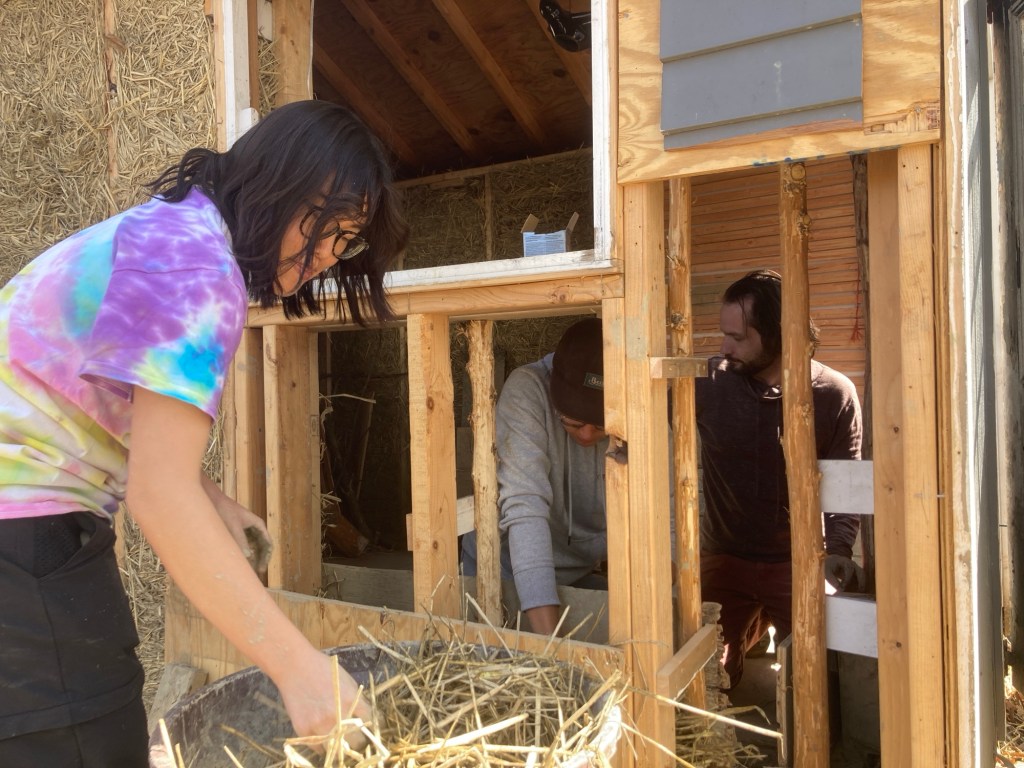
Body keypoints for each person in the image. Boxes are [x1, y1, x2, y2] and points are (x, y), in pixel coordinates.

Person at [0, 99, 408, 766]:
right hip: (24, 538)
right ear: (276, 184)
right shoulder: (198, 270)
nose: (327, 257)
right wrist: (300, 669)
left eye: (346, 241)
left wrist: (212, 499)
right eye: (323, 226)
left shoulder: (169, 234)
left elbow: (113, 415)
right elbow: (159, 496)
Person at [695, 269, 863, 689]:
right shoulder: (708, 384)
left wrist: (838, 551)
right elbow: (634, 412)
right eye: (724, 334)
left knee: (813, 682)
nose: (724, 347)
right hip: (723, 557)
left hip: (797, 561)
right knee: (709, 679)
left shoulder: (834, 394)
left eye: (737, 337)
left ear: (776, 333)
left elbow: (846, 484)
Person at [461, 317, 608, 636]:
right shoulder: (527, 391)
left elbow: (663, 512)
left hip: (580, 571)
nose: (586, 435)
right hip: (507, 571)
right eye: (572, 422)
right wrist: (549, 646)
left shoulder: (641, 401)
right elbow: (525, 507)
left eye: (600, 426)